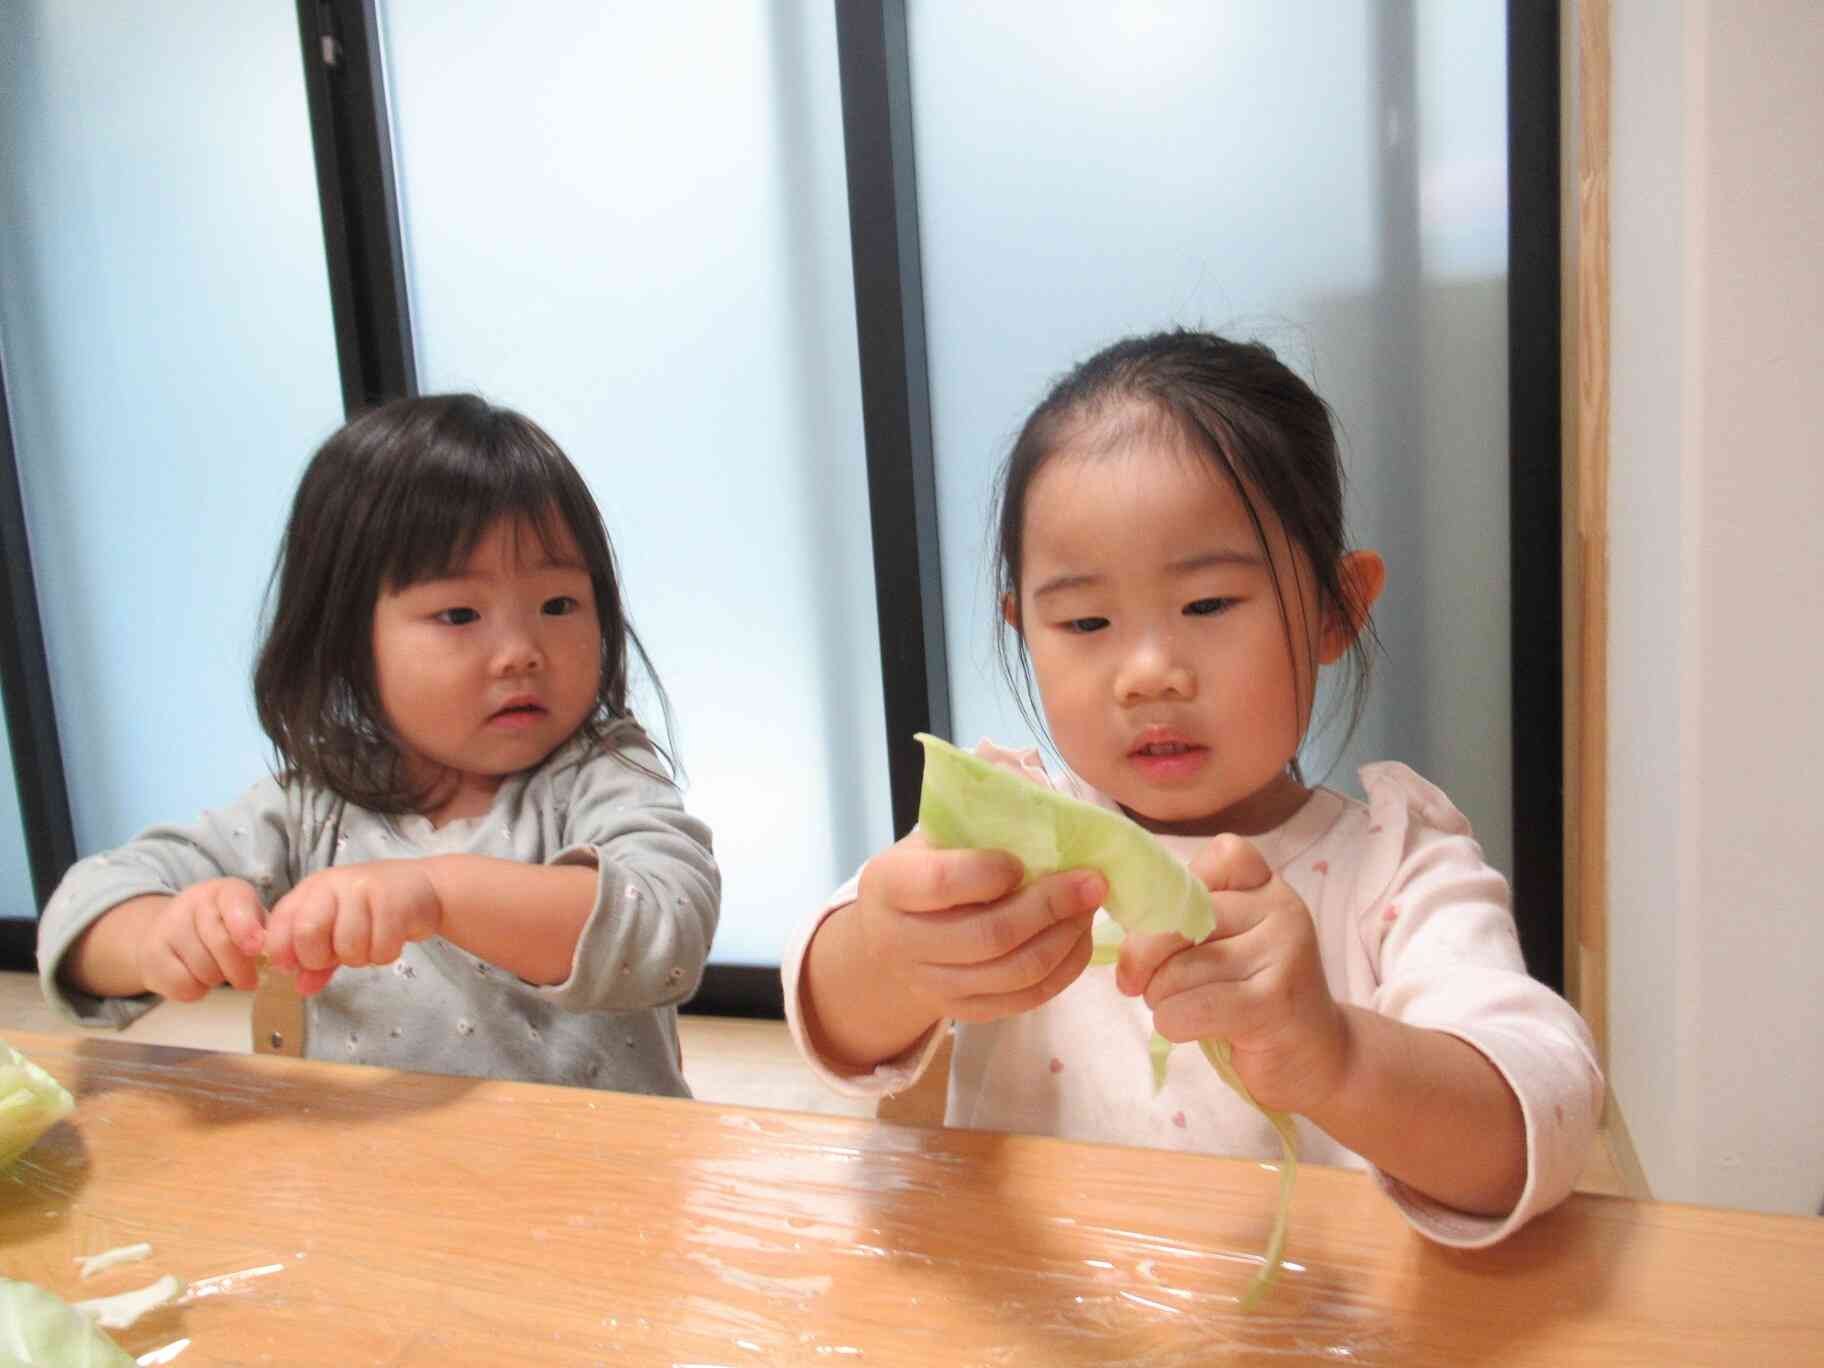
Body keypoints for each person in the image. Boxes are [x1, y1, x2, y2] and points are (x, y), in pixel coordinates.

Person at [787, 329, 1602, 1246]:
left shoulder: (1397, 867)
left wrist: (1331, 1055)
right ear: (1024, 631)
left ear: (1337, 608)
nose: (1148, 673)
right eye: (1086, 620)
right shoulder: (1012, 837)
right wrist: (892, 954)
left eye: (1209, 605)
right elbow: (832, 1021)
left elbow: (1544, 1118)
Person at [39, 394, 720, 1096]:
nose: (521, 652)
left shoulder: (601, 772)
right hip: (367, 1186)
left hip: (595, 1182)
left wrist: (435, 892)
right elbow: (82, 908)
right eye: (459, 614)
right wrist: (159, 937)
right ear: (346, 642)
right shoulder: (313, 807)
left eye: (559, 605)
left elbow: (666, 928)